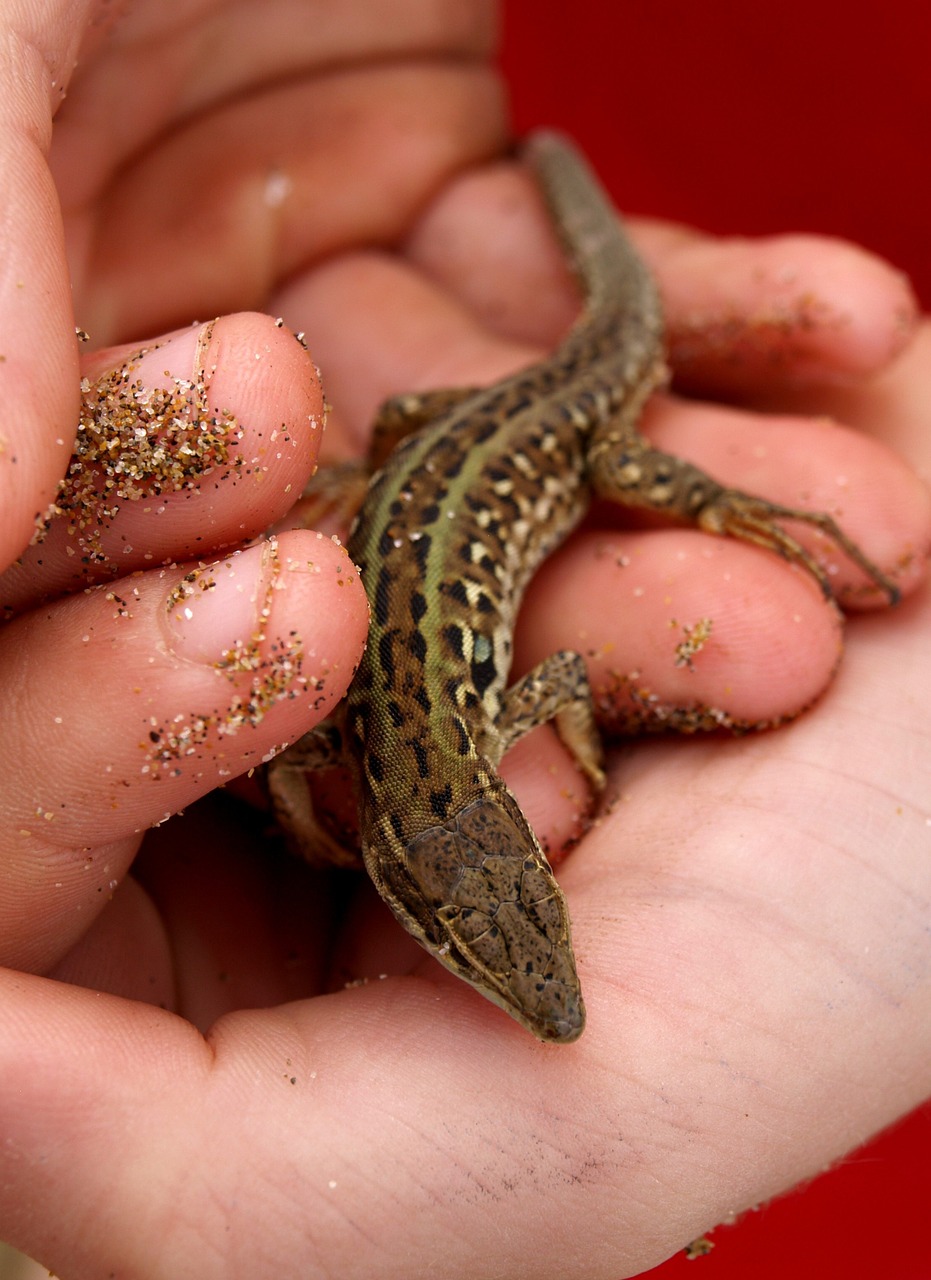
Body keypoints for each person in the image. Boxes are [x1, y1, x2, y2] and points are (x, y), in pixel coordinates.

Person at [1, 3, 928, 1277]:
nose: (530, 983)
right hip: (480, 422)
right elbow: (541, 679)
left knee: (668, 491)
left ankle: (710, 486)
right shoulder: (376, 728)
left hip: (560, 428)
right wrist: (578, 739)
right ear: (397, 866)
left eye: (498, 928)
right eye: (476, 937)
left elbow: (549, 677)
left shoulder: (386, 733)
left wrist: (582, 718)